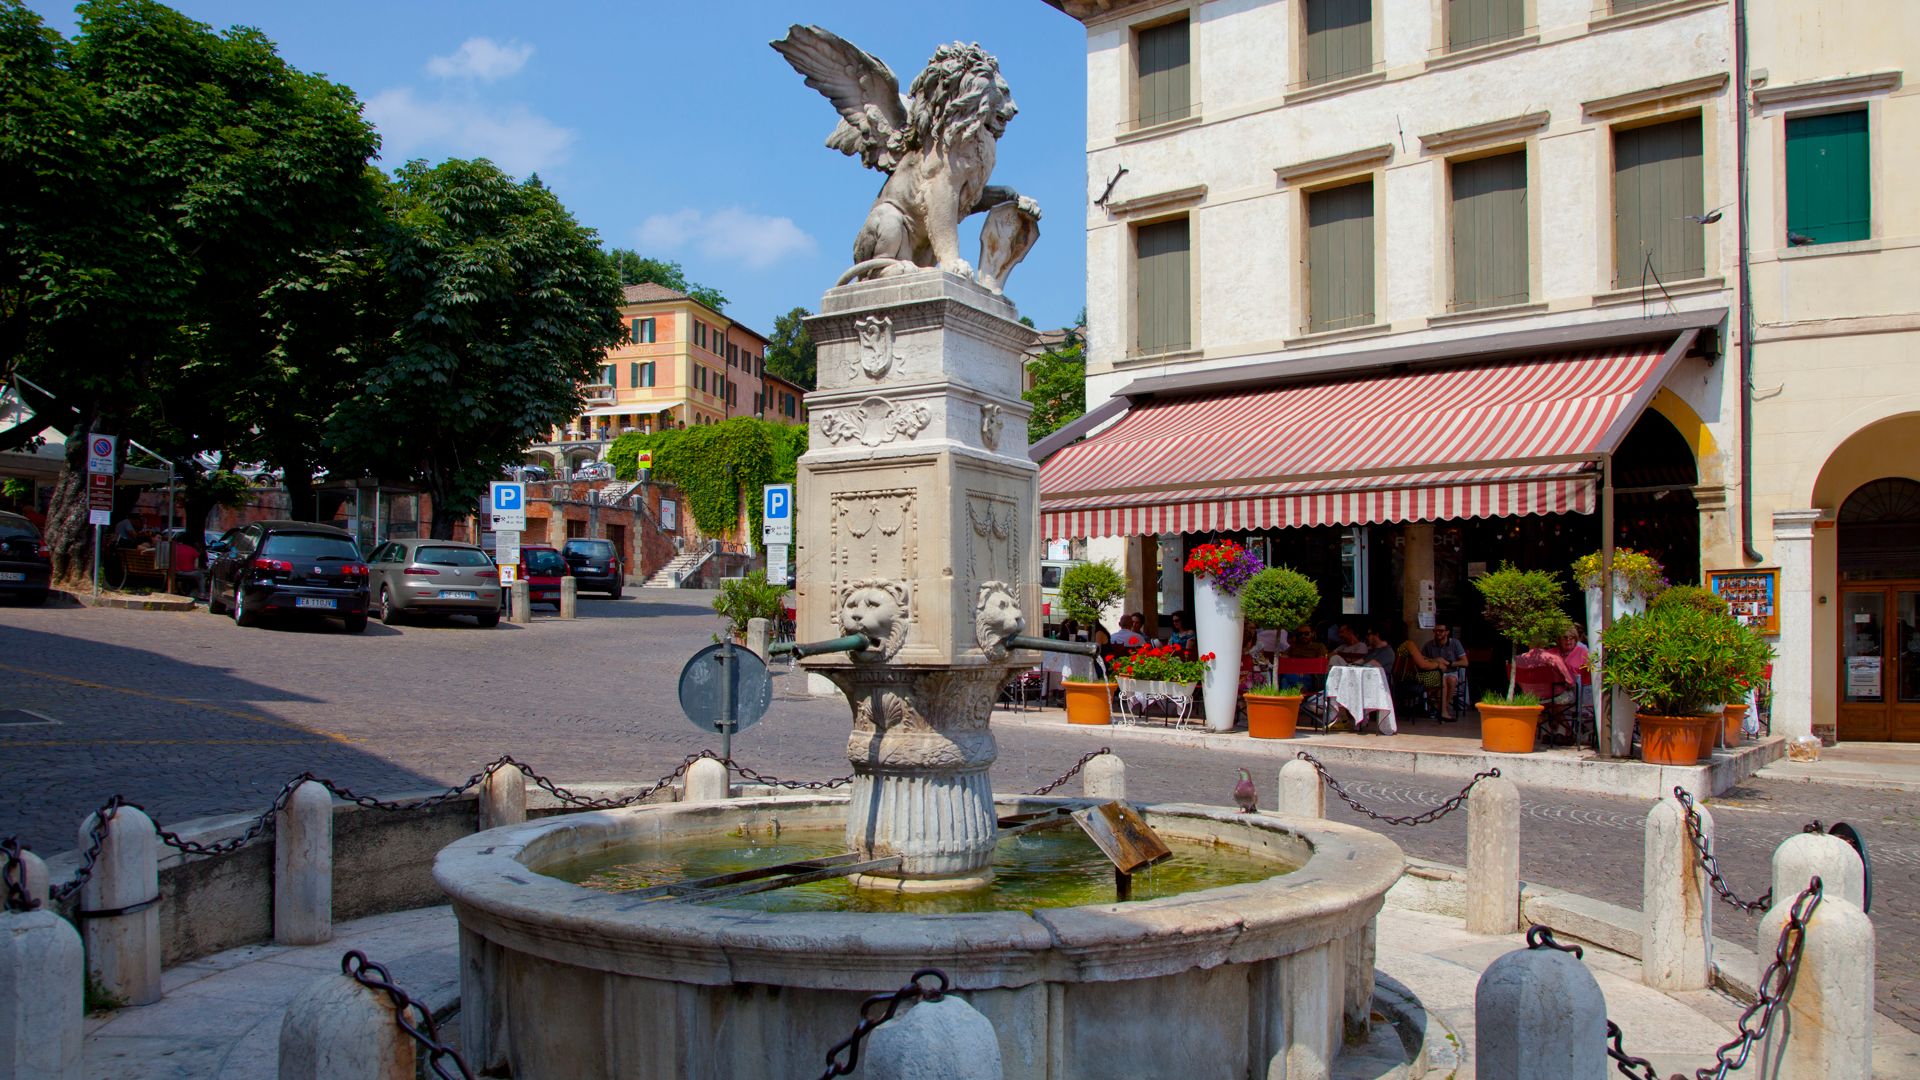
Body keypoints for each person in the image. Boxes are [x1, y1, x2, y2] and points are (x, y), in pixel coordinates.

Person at [1421, 624, 1468, 720]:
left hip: (1451, 671)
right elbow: (1422, 659)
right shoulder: (1428, 645)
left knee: (1451, 680)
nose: (1438, 633)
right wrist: (1435, 660)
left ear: (1447, 632)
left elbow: (1465, 662)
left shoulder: (1455, 643)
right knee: (1441, 681)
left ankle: (1442, 708)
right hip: (1434, 672)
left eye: (1441, 631)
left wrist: (1449, 663)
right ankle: (1443, 710)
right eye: (1435, 631)